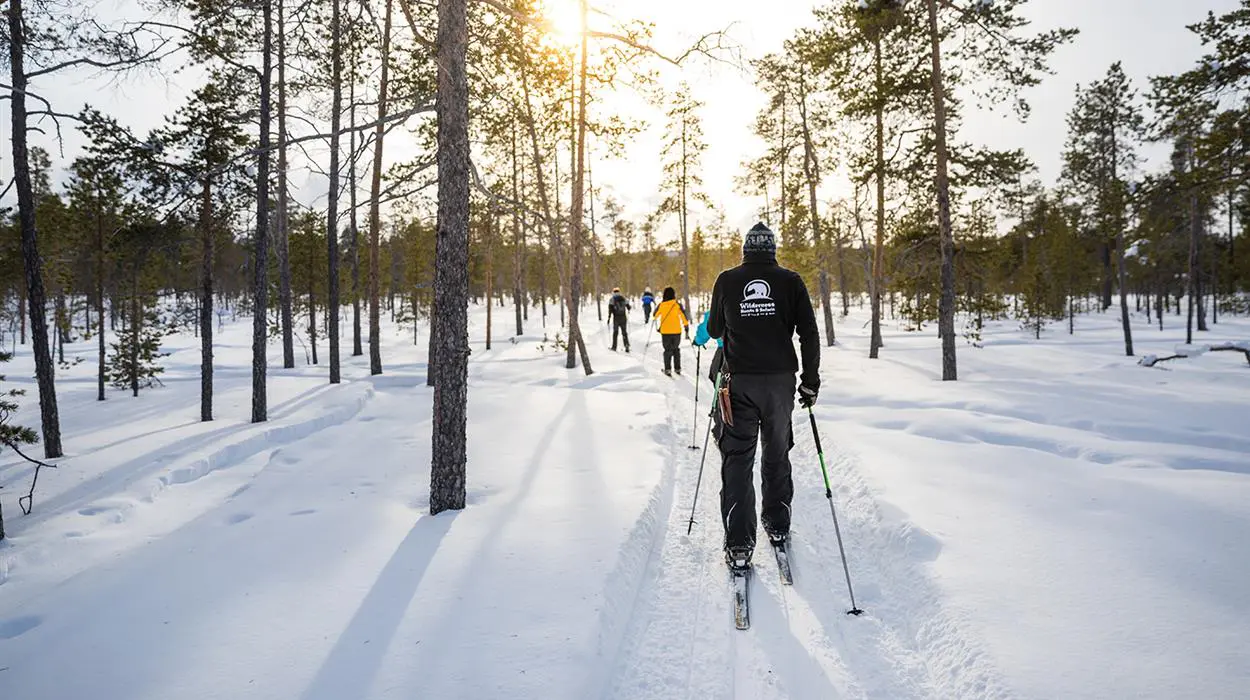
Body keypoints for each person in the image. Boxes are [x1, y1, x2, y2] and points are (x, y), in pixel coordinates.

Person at [706, 222, 820, 573]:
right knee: (776, 453)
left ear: (745, 250)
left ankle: (739, 542)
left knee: (737, 459)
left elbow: (713, 330)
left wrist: (737, 321)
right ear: (772, 249)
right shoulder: (790, 281)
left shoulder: (727, 280)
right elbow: (809, 333)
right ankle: (777, 523)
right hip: (780, 384)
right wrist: (810, 381)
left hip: (739, 383)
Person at [652, 286, 689, 377]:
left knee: (667, 350)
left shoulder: (662, 305)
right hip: (677, 331)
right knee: (676, 349)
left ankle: (668, 369)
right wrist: (686, 327)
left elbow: (655, 315)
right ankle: (677, 368)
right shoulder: (677, 304)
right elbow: (684, 317)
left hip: (665, 332)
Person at [608, 287, 631, 352]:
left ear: (613, 292)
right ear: (619, 291)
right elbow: (629, 307)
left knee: (615, 332)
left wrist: (609, 317)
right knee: (624, 332)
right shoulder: (623, 298)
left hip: (616, 318)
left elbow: (610, 309)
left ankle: (614, 347)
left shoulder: (612, 299)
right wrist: (628, 309)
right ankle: (626, 345)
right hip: (623, 317)